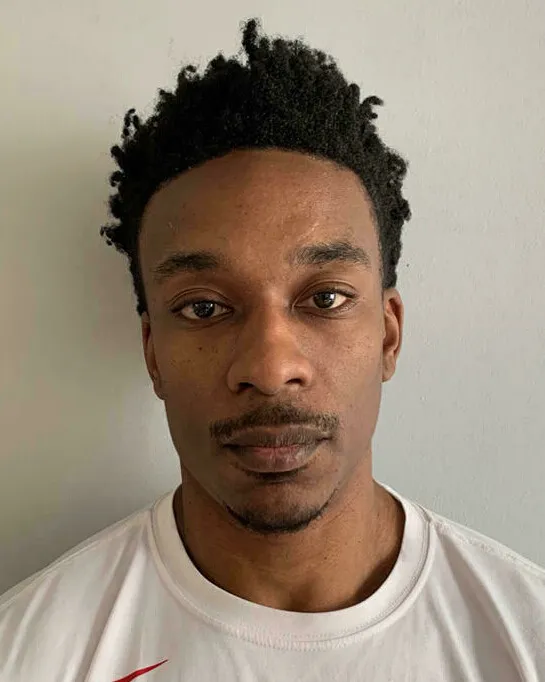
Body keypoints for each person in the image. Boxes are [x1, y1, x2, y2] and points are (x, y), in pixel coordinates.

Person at [1, 16, 544, 681]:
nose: (269, 367)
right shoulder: (28, 655)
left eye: (325, 298)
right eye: (204, 308)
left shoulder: (524, 641)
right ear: (153, 354)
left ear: (388, 334)